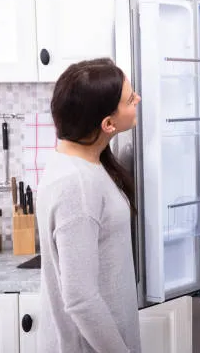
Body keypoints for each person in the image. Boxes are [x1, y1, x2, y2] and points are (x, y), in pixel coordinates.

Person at [36, 58, 142, 353]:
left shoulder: (78, 162)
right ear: (108, 124)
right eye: (130, 99)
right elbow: (80, 298)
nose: (138, 100)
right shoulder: (76, 186)